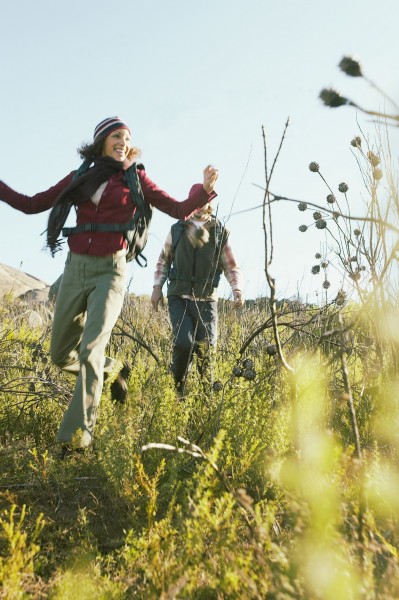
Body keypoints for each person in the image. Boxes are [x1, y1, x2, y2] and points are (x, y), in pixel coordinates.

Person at [0, 117, 218, 451]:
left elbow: (176, 208)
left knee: (90, 350)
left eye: (127, 137)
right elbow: (31, 204)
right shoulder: (81, 177)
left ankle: (73, 441)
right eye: (116, 135)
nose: (123, 141)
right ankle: (114, 369)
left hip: (111, 272)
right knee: (60, 354)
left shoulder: (136, 178)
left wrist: (203, 189)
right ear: (102, 140)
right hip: (75, 270)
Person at [151, 193, 243, 396]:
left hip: (207, 299)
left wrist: (237, 289)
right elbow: (163, 261)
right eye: (197, 201)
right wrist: (157, 287)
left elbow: (230, 266)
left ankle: (205, 401)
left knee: (206, 350)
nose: (201, 206)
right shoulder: (177, 229)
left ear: (210, 204)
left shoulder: (220, 231)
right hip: (179, 297)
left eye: (205, 202)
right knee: (184, 342)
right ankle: (178, 389)